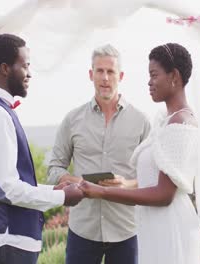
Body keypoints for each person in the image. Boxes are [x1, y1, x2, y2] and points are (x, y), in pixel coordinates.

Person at [79, 43, 200, 264]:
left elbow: (164, 195)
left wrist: (101, 192)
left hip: (170, 226)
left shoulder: (181, 123)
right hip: (154, 226)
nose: (149, 82)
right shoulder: (165, 121)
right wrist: (124, 184)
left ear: (174, 76)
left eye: (154, 75)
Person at [0, 33, 84, 264]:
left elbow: (12, 181)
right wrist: (62, 197)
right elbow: (6, 188)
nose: (29, 73)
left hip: (12, 243)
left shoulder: (1, 111)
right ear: (5, 68)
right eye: (25, 66)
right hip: (7, 242)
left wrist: (54, 190)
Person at [47, 44, 151, 264]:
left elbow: (153, 178)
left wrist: (127, 184)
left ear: (120, 76)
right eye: (100, 71)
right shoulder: (72, 120)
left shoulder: (141, 122)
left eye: (111, 71)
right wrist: (80, 183)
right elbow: (54, 169)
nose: (105, 78)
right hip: (83, 230)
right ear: (90, 74)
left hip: (126, 230)